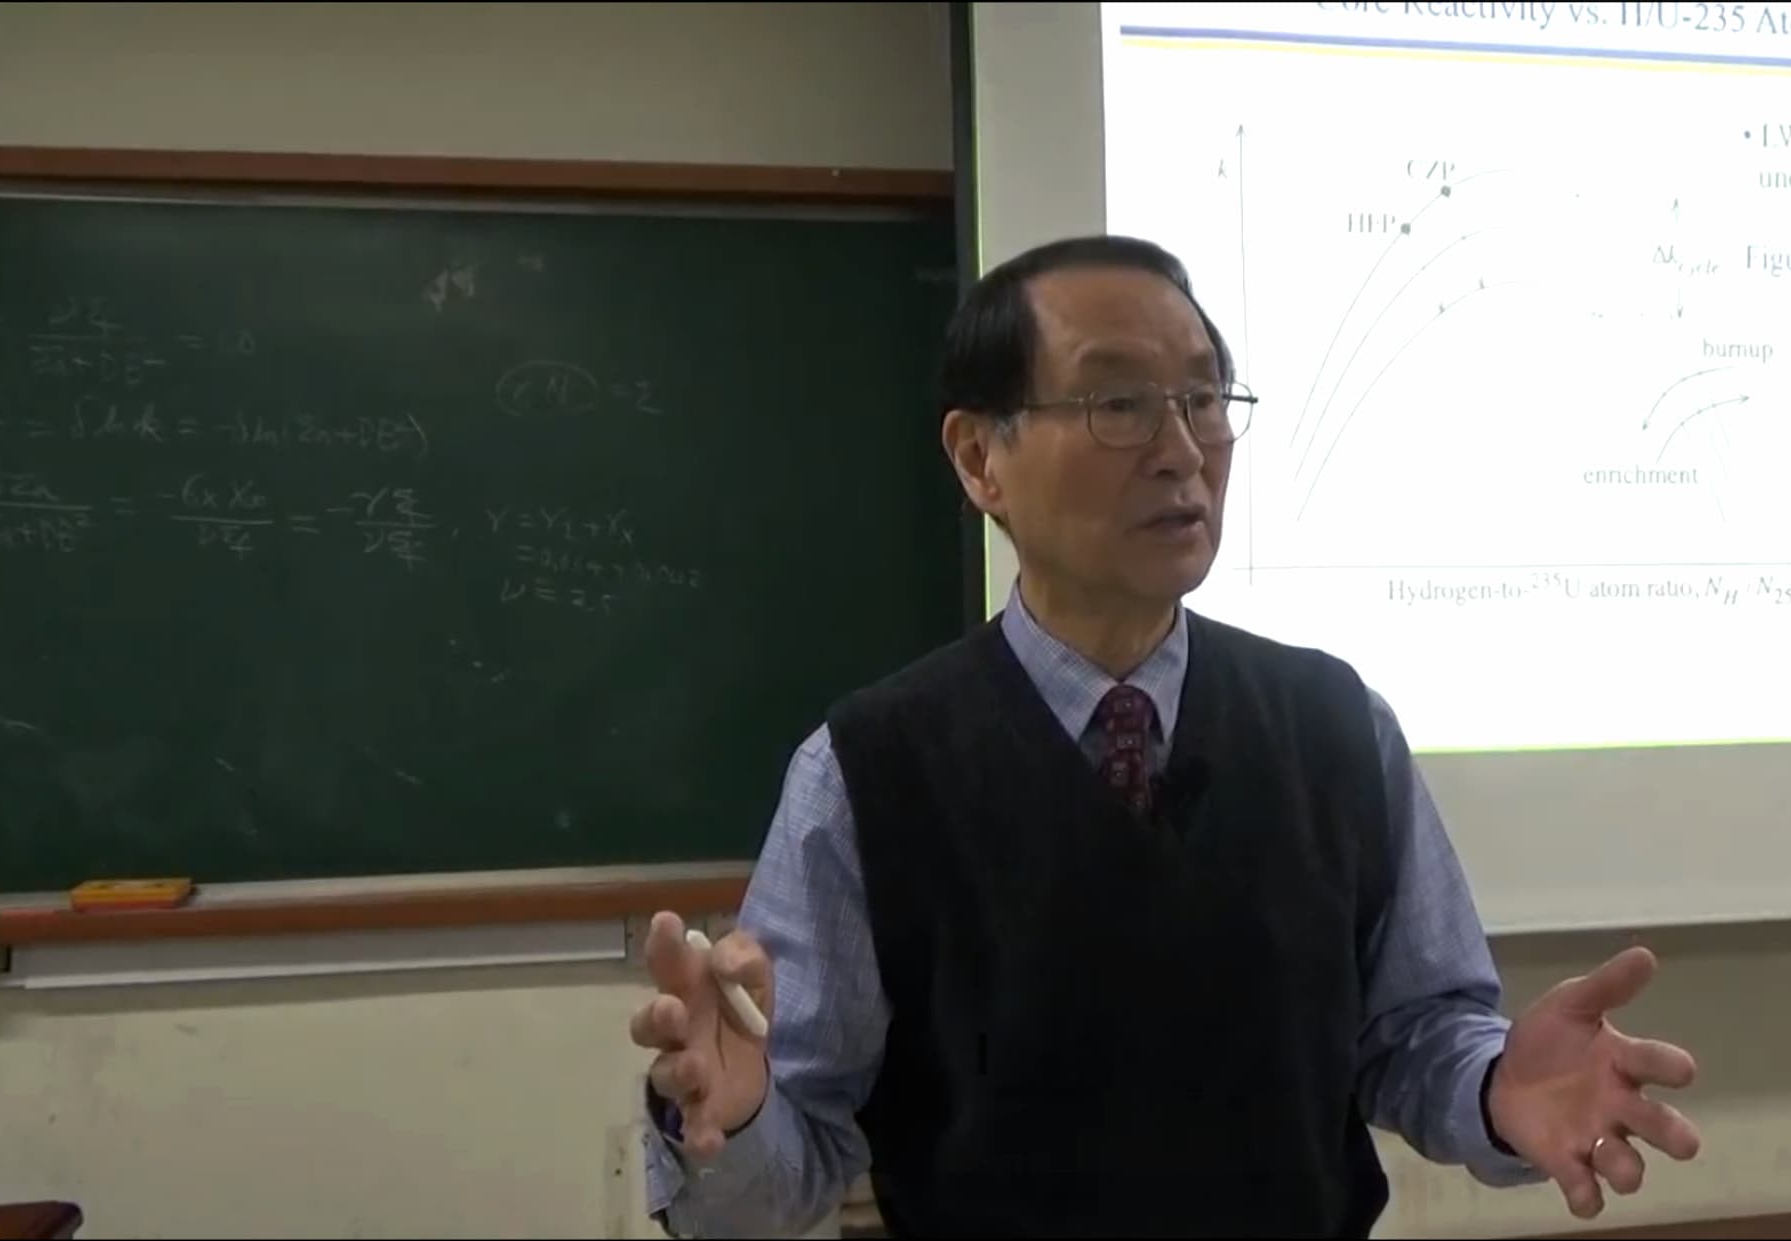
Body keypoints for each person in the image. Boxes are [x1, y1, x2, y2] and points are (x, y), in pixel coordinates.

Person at [629, 235, 1701, 1239]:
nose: (1181, 448)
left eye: (1201, 397)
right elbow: (777, 1175)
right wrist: (733, 1115)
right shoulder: (867, 769)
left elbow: (1415, 1033)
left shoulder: (1335, 724)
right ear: (977, 458)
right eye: (1117, 403)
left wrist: (1495, 1086)